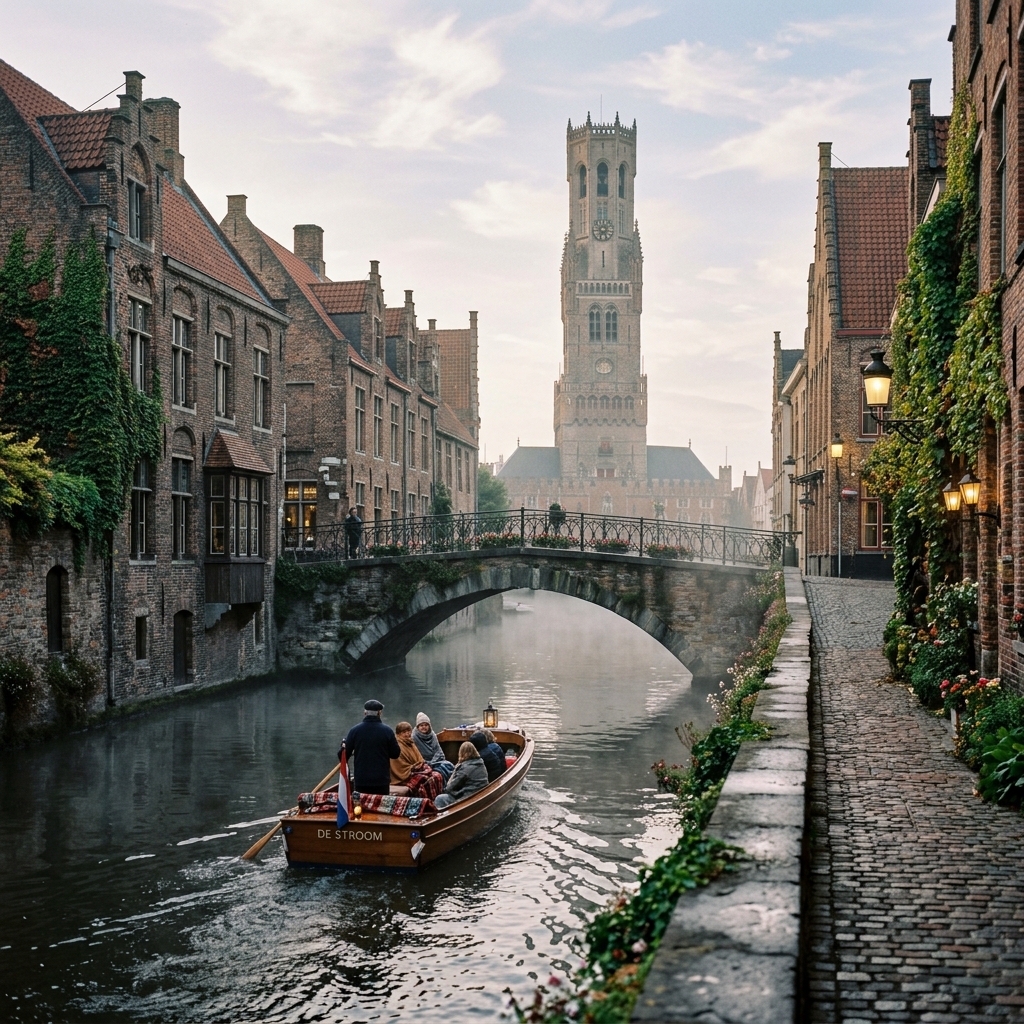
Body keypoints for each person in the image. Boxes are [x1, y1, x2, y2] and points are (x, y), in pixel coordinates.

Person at [342, 699, 399, 796]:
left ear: (365, 713)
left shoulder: (354, 731)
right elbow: (395, 754)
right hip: (381, 780)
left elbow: (343, 756)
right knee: (380, 804)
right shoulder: (387, 731)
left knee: (361, 804)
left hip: (361, 780)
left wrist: (343, 745)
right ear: (379, 713)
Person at [434, 741, 489, 810]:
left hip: (468, 799)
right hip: (480, 794)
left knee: (439, 798)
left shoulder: (464, 769)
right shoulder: (480, 763)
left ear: (461, 753)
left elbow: (449, 788)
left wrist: (456, 769)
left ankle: (440, 815)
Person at [412, 712, 455, 781]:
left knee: (449, 766)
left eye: (426, 725)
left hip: (434, 761)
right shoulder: (414, 737)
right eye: (421, 725)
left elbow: (439, 752)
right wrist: (426, 763)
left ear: (429, 726)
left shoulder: (432, 735)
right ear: (418, 727)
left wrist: (432, 762)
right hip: (423, 762)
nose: (424, 727)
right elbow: (415, 755)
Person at [390, 721, 427, 787]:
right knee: (425, 779)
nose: (407, 734)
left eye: (409, 731)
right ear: (398, 734)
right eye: (404, 732)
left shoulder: (410, 742)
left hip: (414, 769)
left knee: (434, 772)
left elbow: (419, 758)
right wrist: (414, 767)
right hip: (403, 775)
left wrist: (420, 764)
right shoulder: (397, 746)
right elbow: (400, 766)